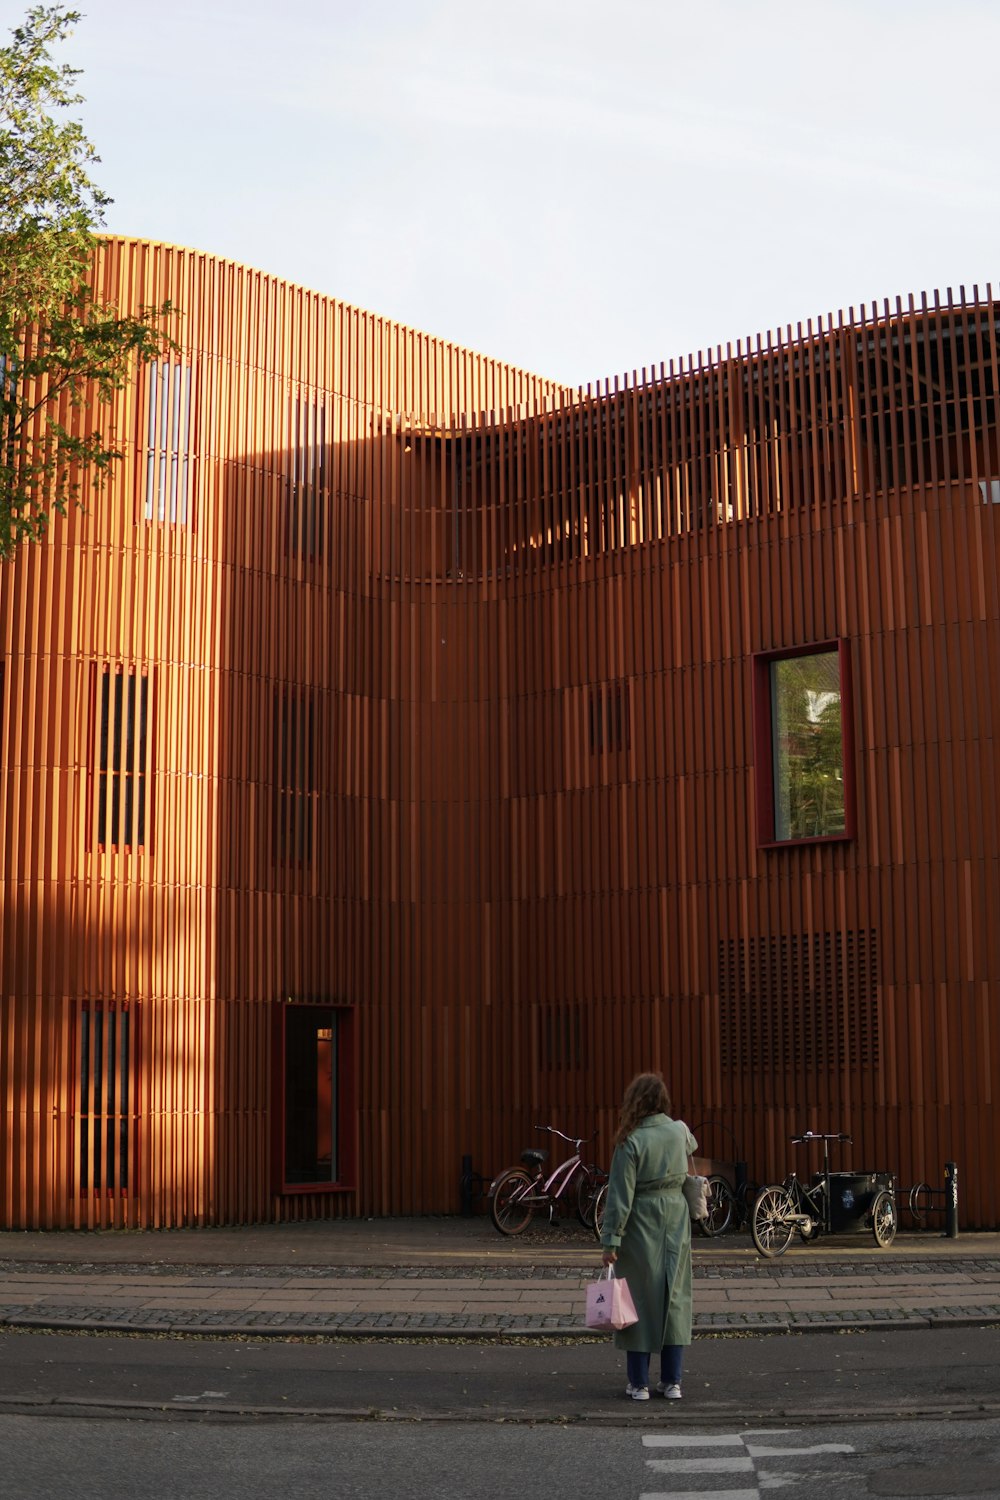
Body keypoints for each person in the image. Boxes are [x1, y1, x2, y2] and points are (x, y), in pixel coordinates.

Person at [600, 1072, 697, 1401]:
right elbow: (691, 1150)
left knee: (637, 1299)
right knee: (674, 1295)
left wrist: (611, 1241)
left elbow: (619, 1196)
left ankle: (638, 1383)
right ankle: (672, 1382)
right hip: (676, 1215)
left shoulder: (631, 1140)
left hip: (642, 1219)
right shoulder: (679, 1131)